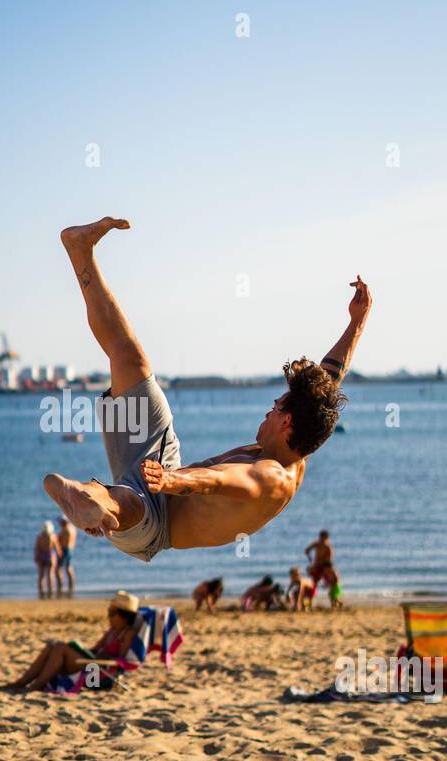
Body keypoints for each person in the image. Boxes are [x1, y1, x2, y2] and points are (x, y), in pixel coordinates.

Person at [43, 217, 372, 563]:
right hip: (161, 464)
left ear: (287, 421)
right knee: (129, 359)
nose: (270, 407)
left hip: (157, 525)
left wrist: (170, 482)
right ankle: (81, 250)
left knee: (129, 501)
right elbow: (329, 378)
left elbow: (216, 479)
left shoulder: (273, 477)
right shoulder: (303, 436)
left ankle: (89, 499)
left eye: (277, 406)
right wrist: (357, 323)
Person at [6, 590, 139, 692]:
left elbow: (121, 660)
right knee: (53, 645)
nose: (109, 616)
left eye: (113, 613)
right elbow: (94, 649)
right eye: (109, 611)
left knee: (61, 649)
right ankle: (22, 682)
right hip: (93, 663)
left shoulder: (127, 633)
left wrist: (104, 656)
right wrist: (79, 648)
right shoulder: (112, 630)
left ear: (125, 616)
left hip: (100, 673)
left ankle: (36, 685)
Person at [305, 530, 343, 608]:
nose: (322, 540)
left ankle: (336, 603)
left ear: (327, 538)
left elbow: (329, 561)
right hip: (317, 567)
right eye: (321, 538)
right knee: (313, 585)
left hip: (325, 568)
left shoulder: (328, 548)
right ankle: (309, 604)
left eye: (323, 539)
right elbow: (307, 550)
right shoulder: (316, 544)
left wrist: (324, 567)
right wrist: (310, 559)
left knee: (332, 585)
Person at [34, 521, 58, 598]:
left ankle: (41, 592)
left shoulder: (39, 537)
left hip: (41, 555)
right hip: (50, 555)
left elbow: (37, 548)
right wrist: (58, 557)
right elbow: (57, 548)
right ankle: (50, 591)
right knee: (50, 574)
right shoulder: (53, 536)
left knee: (41, 575)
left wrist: (36, 557)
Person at [55, 515, 77, 597]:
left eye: (60, 522)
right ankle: (71, 586)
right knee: (69, 568)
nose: (59, 523)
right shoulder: (73, 529)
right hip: (70, 549)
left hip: (64, 550)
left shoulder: (65, 530)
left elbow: (57, 540)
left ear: (63, 522)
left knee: (58, 569)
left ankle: (60, 587)